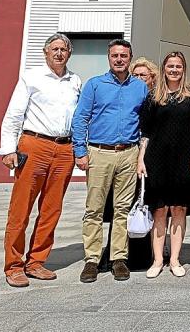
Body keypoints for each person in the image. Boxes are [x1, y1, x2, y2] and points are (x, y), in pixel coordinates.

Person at [0, 33, 81, 287]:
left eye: (64, 49)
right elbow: (13, 115)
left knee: (51, 209)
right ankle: (13, 265)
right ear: (45, 52)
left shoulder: (75, 81)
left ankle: (36, 262)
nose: (59, 53)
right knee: (21, 208)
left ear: (69, 54)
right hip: (34, 145)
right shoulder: (31, 77)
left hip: (64, 149)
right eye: (54, 49)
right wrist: (9, 149)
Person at [71, 39, 148, 283]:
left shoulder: (140, 87)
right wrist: (80, 151)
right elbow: (80, 118)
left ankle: (118, 258)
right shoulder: (95, 85)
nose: (119, 59)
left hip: (128, 153)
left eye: (123, 56)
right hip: (99, 152)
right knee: (94, 208)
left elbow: (146, 122)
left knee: (122, 209)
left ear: (130, 58)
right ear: (109, 57)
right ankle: (92, 259)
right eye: (114, 55)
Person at [138, 51, 190, 278]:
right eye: (170, 66)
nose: (174, 70)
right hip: (156, 159)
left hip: (185, 158)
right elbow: (145, 133)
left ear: (183, 68)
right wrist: (141, 159)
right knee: (159, 210)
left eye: (178, 66)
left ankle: (175, 259)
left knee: (179, 209)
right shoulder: (153, 97)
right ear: (164, 68)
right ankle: (158, 260)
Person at [99, 56, 159, 273]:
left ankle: (145, 254)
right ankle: (114, 253)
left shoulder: (156, 98)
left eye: (145, 75)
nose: (140, 78)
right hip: (127, 154)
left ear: (152, 78)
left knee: (145, 205)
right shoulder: (127, 95)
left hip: (150, 157)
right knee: (119, 206)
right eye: (136, 75)